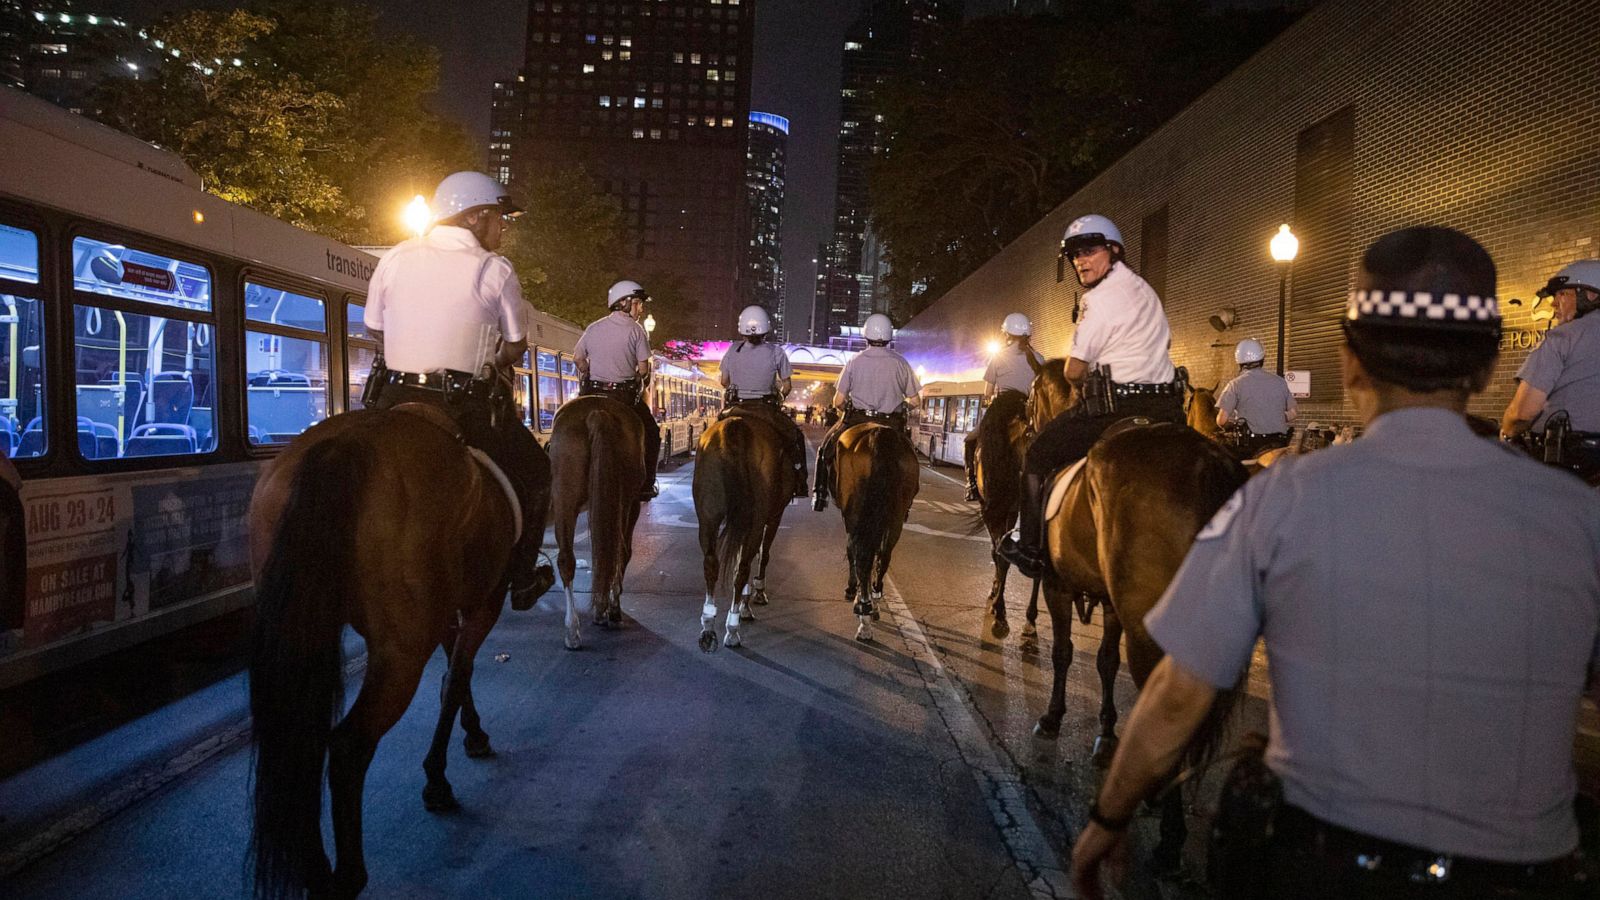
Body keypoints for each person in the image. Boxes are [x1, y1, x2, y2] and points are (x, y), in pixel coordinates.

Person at [1070, 227, 1600, 900]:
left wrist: (1106, 819)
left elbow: (1177, 694)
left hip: (1319, 866)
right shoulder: (1580, 517)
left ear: (1352, 360)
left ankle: (1029, 536)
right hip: (1526, 875)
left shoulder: (1280, 496)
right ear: (1490, 365)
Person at [362, 170, 554, 608]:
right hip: (462, 405)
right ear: (474, 217)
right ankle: (522, 577)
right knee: (537, 472)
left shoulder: (395, 256)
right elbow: (516, 345)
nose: (503, 227)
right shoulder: (494, 269)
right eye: (499, 218)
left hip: (393, 396)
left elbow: (374, 326)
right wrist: (491, 359)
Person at [999, 214, 1183, 577]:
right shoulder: (1145, 291)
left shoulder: (1099, 299)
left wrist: (1081, 387)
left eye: (1089, 251)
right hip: (1167, 409)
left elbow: (1072, 370)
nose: (1080, 260)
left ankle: (1030, 547)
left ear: (1114, 251)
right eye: (1075, 255)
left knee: (1037, 455)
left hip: (1114, 410)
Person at [1500, 260, 1600, 480]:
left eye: (1562, 294)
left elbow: (1522, 413)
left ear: (1591, 295)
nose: (1554, 304)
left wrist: (1506, 434)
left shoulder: (1562, 337)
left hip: (1570, 468)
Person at [812, 313, 921, 511]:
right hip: (891, 423)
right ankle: (907, 503)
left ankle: (819, 494)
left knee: (825, 450)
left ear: (866, 335)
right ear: (889, 336)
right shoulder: (901, 363)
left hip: (857, 420)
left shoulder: (854, 361)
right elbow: (915, 401)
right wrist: (901, 406)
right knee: (910, 458)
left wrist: (846, 408)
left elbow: (838, 401)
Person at [574, 279, 661, 500]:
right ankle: (647, 484)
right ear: (624, 302)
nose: (640, 309)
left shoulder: (593, 327)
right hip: (622, 397)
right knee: (652, 432)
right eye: (638, 304)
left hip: (591, 394)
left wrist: (589, 371)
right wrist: (639, 374)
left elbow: (578, 358)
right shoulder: (636, 331)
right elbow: (643, 369)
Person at [718, 305, 809, 498]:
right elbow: (787, 386)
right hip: (765, 408)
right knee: (795, 437)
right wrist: (780, 395)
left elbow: (724, 381)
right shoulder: (776, 352)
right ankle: (800, 480)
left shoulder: (732, 350)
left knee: (710, 437)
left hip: (735, 407)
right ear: (766, 329)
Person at [964, 313, 1044, 501]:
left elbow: (988, 393)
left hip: (1001, 412)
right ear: (1028, 334)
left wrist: (990, 401)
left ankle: (972, 485)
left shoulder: (998, 357)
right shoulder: (1039, 359)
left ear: (1006, 334)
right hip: (1028, 414)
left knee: (970, 440)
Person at [1216, 337, 1297, 458]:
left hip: (1251, 448)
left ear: (1239, 362)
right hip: (1279, 445)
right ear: (1262, 359)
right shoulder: (1280, 382)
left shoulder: (1235, 385)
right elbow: (1294, 412)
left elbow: (1221, 420)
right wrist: (1276, 417)